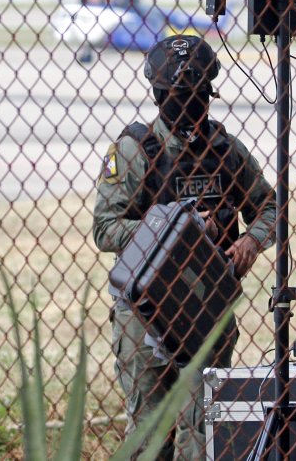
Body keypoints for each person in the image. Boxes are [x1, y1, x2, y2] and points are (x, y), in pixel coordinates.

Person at [93, 35, 276, 460]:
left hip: (206, 312)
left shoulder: (226, 151)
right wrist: (177, 227)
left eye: (195, 93)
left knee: (205, 434)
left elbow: (271, 208)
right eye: (178, 95)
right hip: (146, 315)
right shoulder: (136, 150)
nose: (188, 104)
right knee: (152, 435)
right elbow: (106, 228)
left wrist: (251, 240)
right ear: (159, 96)